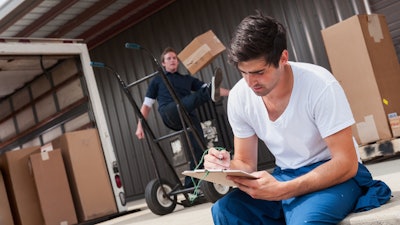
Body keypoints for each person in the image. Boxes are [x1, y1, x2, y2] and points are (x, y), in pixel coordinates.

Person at [204, 12, 391, 225]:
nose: (250, 82)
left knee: (305, 222)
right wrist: (227, 166)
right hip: (285, 174)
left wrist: (283, 190)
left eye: (259, 72)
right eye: (244, 73)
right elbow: (246, 163)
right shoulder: (239, 97)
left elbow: (346, 163)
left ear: (283, 58)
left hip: (333, 173)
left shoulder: (319, 85)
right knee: (225, 210)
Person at [136, 47, 229, 187]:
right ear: (163, 63)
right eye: (169, 58)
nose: (172, 60)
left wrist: (233, 92)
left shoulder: (186, 79)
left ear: (178, 62)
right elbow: (147, 105)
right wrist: (140, 125)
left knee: (199, 148)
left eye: (175, 58)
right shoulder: (158, 80)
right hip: (170, 112)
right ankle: (208, 93)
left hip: (187, 116)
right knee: (190, 99)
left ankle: (191, 186)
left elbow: (212, 89)